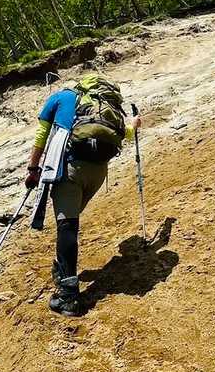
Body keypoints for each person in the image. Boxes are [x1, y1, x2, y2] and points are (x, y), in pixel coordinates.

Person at [24, 74, 139, 316]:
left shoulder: (61, 97)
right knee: (70, 221)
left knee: (67, 226)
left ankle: (68, 297)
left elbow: (41, 135)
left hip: (71, 168)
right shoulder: (105, 108)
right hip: (98, 172)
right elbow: (124, 134)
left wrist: (33, 169)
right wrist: (135, 124)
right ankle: (61, 269)